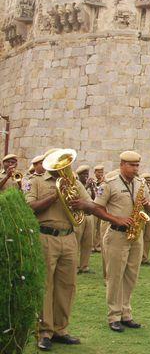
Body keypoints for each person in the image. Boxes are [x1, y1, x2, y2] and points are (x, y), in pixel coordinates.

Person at [25, 150, 93, 350]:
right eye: (59, 163)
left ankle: (61, 329)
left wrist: (81, 203)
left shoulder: (73, 182)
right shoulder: (36, 181)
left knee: (67, 284)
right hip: (45, 236)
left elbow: (90, 205)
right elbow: (31, 207)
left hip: (69, 237)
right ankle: (44, 332)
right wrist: (56, 195)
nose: (63, 167)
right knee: (45, 285)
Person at [84, 151, 150, 332]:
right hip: (116, 234)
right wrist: (115, 219)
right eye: (132, 166)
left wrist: (149, 205)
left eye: (138, 165)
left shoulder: (140, 184)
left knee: (131, 275)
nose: (136, 169)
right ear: (122, 164)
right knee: (115, 276)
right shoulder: (109, 183)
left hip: (135, 235)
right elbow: (96, 207)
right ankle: (113, 316)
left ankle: (126, 313)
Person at [74, 165, 95, 274]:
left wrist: (92, 188)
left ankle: (84, 266)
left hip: (89, 216)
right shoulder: (75, 185)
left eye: (87, 174)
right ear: (79, 175)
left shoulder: (89, 186)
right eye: (84, 174)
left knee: (88, 242)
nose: (86, 176)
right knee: (77, 240)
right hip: (79, 215)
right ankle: (76, 266)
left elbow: (93, 199)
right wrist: (86, 186)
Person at [92, 165, 105, 253]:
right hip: (93, 207)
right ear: (95, 173)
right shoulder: (93, 182)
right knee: (93, 227)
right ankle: (92, 245)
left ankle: (98, 245)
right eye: (98, 172)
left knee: (99, 227)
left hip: (101, 207)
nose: (100, 174)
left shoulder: (104, 182)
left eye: (101, 172)